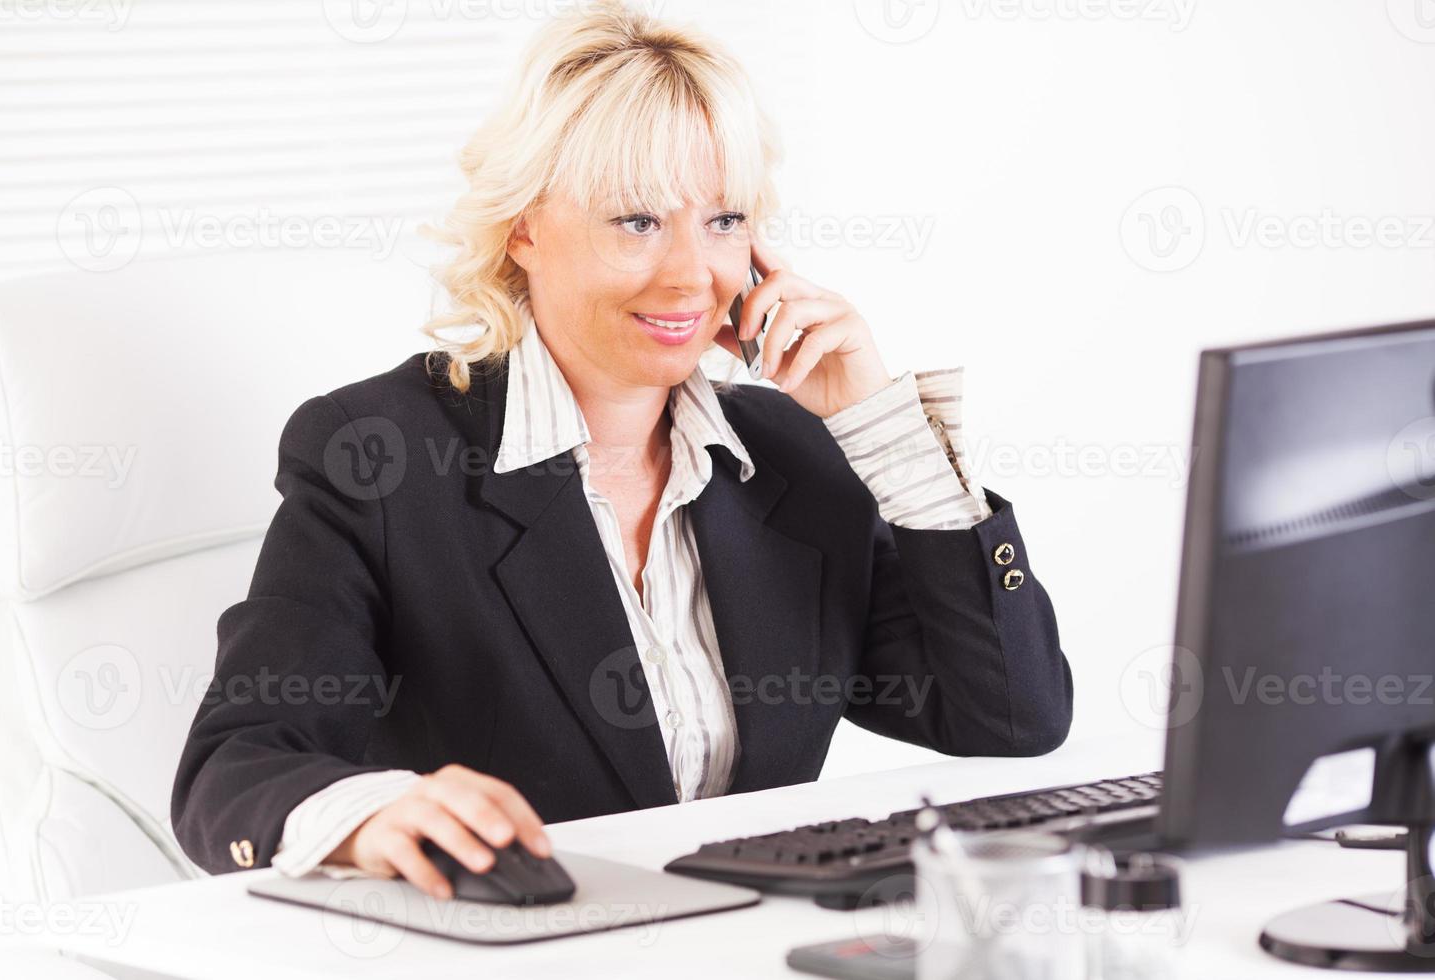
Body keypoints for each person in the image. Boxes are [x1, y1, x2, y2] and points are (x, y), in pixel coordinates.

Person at [171, 0, 1072, 901]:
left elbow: (1009, 714)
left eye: (723, 220)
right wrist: (371, 816)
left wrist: (879, 426)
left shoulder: (789, 458)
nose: (691, 274)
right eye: (637, 221)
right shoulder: (381, 458)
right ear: (524, 228)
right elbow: (234, 770)